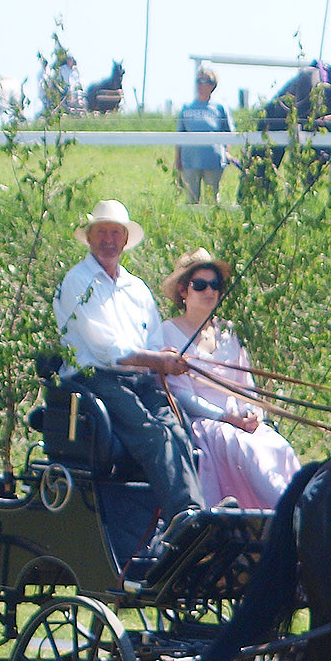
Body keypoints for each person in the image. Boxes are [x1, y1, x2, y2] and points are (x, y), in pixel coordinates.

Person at [53, 200, 207, 544]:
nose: (108, 240)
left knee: (179, 431)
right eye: (101, 233)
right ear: (90, 239)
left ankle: (195, 514)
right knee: (153, 436)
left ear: (124, 241)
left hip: (139, 378)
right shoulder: (77, 281)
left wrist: (163, 359)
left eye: (114, 234)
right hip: (93, 380)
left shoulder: (136, 289)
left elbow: (151, 339)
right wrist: (157, 360)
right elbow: (105, 350)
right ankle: (184, 521)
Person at [158, 249, 303, 510]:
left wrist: (253, 413)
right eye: (200, 285)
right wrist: (225, 417)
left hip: (239, 419)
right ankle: (285, 512)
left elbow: (245, 383)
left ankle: (300, 507)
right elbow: (181, 394)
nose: (209, 291)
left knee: (277, 446)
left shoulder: (227, 331)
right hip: (205, 422)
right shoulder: (169, 332)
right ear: (183, 291)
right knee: (244, 448)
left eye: (215, 285)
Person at [176, 69, 234, 205]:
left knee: (212, 199)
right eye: (198, 81)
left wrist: (227, 152)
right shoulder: (187, 108)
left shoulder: (220, 108)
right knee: (191, 199)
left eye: (204, 81)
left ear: (212, 85)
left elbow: (228, 133)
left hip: (213, 160)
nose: (200, 85)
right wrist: (177, 159)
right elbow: (179, 135)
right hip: (190, 160)